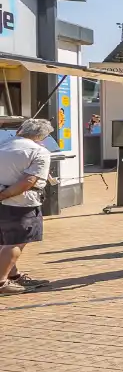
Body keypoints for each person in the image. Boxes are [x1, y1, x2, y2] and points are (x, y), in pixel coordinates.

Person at [0, 120, 55, 295]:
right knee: (16, 242)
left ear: (20, 131)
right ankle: (1, 282)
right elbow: (28, 181)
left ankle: (13, 275)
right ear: (43, 137)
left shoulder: (3, 146)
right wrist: (4, 195)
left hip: (4, 202)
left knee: (4, 240)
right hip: (21, 203)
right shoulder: (40, 152)